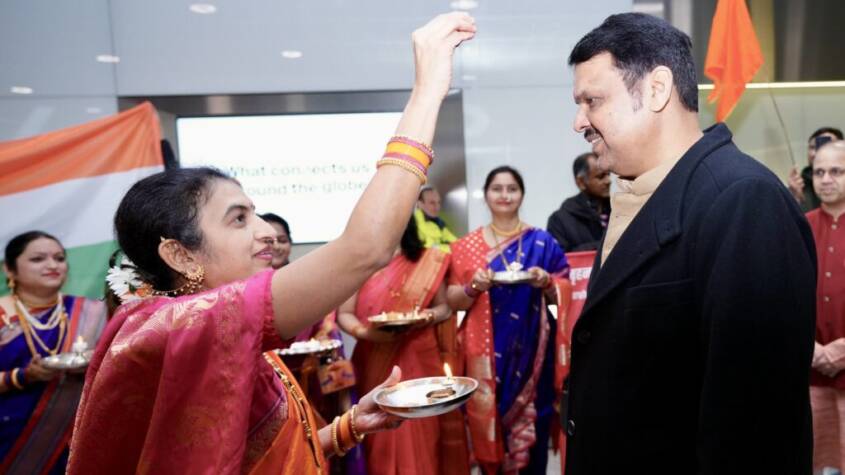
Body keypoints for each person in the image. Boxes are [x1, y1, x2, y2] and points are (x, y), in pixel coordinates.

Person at [67, 13, 477, 474]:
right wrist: (427, 90)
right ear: (179, 254)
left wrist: (349, 427)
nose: (265, 231)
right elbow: (367, 248)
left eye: (255, 213)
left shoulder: (210, 329)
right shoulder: (172, 327)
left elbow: (254, 456)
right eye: (239, 219)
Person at [563, 13, 816, 474]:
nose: (579, 122)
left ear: (657, 89)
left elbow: (754, 429)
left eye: (592, 101)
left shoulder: (743, 201)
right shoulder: (638, 192)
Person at [447, 166, 569, 474]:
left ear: (522, 195)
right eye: (497, 189)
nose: (505, 195)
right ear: (486, 196)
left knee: (535, 428)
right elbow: (452, 300)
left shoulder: (542, 241)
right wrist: (473, 286)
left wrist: (547, 282)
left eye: (512, 189)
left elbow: (564, 293)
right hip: (485, 357)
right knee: (489, 428)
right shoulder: (466, 247)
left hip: (533, 353)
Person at [337, 217, 468, 475]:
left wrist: (425, 317)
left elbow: (444, 308)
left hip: (420, 354)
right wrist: (366, 332)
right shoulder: (358, 264)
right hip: (374, 356)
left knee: (424, 428)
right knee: (378, 430)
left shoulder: (427, 260)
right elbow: (344, 314)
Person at [0, 231, 107, 474]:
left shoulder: (92, 311)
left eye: (59, 258)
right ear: (10, 269)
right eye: (38, 259)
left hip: (75, 438)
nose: (52, 265)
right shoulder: (2, 313)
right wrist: (22, 376)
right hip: (9, 436)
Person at [805, 140, 845, 472]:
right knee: (815, 459)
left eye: (836, 171)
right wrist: (811, 348)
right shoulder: (799, 224)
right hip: (810, 371)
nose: (826, 179)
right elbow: (780, 292)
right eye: (819, 172)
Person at [546, 152, 611, 251]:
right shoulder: (559, 221)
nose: (608, 181)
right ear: (581, 182)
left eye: (608, 175)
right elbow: (559, 258)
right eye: (600, 176)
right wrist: (603, 247)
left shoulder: (620, 210)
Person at [789, 127, 844, 212]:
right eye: (812, 147)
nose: (825, 180)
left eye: (827, 145)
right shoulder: (798, 185)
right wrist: (795, 198)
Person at [414, 185, 458, 252]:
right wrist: (451, 248)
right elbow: (428, 248)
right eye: (432, 203)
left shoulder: (439, 223)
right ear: (420, 204)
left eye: (438, 202)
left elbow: (454, 240)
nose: (437, 207)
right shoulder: (412, 224)